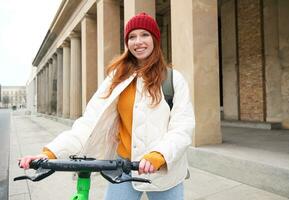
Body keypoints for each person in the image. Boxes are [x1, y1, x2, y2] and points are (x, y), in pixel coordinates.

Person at [19, 12, 195, 200]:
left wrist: (159, 154)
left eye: (145, 34)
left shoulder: (174, 80)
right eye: (132, 37)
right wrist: (50, 153)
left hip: (164, 173)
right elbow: (89, 123)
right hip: (124, 169)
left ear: (155, 39)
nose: (138, 41)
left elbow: (182, 127)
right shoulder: (117, 79)